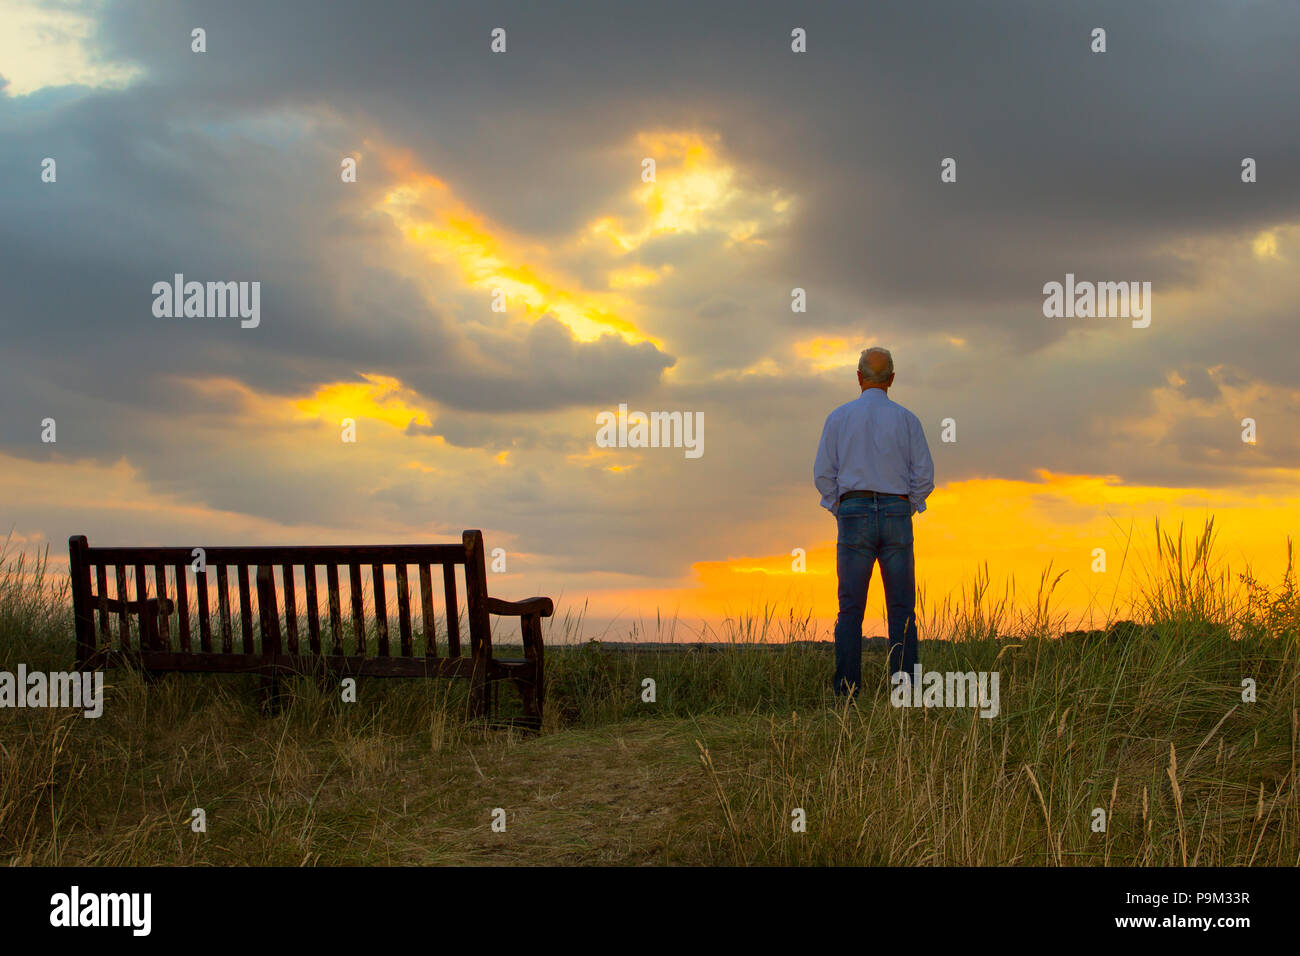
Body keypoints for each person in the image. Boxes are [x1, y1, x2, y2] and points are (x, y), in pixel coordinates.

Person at [813, 347, 934, 698]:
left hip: (854, 510)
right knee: (902, 609)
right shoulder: (908, 420)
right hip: (896, 511)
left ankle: (847, 692)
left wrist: (843, 507)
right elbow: (924, 476)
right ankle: (906, 692)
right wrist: (904, 505)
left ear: (859, 377)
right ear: (892, 379)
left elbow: (823, 474)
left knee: (850, 609)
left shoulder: (838, 418)